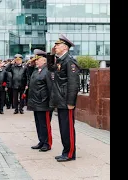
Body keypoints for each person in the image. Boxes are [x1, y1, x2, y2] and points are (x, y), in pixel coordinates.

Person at [47, 34, 80, 162]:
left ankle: (70, 153)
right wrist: (50, 54)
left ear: (65, 47)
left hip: (67, 100)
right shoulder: (60, 60)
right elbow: (50, 68)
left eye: (58, 45)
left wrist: (71, 102)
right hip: (60, 99)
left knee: (68, 128)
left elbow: (73, 83)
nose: (55, 47)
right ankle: (65, 151)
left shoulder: (69, 61)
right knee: (63, 127)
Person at [27, 50, 54, 152]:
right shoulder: (36, 70)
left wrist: (49, 102)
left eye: (38, 60)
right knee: (38, 123)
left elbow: (51, 88)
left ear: (44, 60)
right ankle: (41, 141)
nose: (36, 61)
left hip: (44, 103)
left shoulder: (47, 71)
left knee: (45, 124)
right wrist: (30, 65)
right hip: (35, 102)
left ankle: (47, 143)